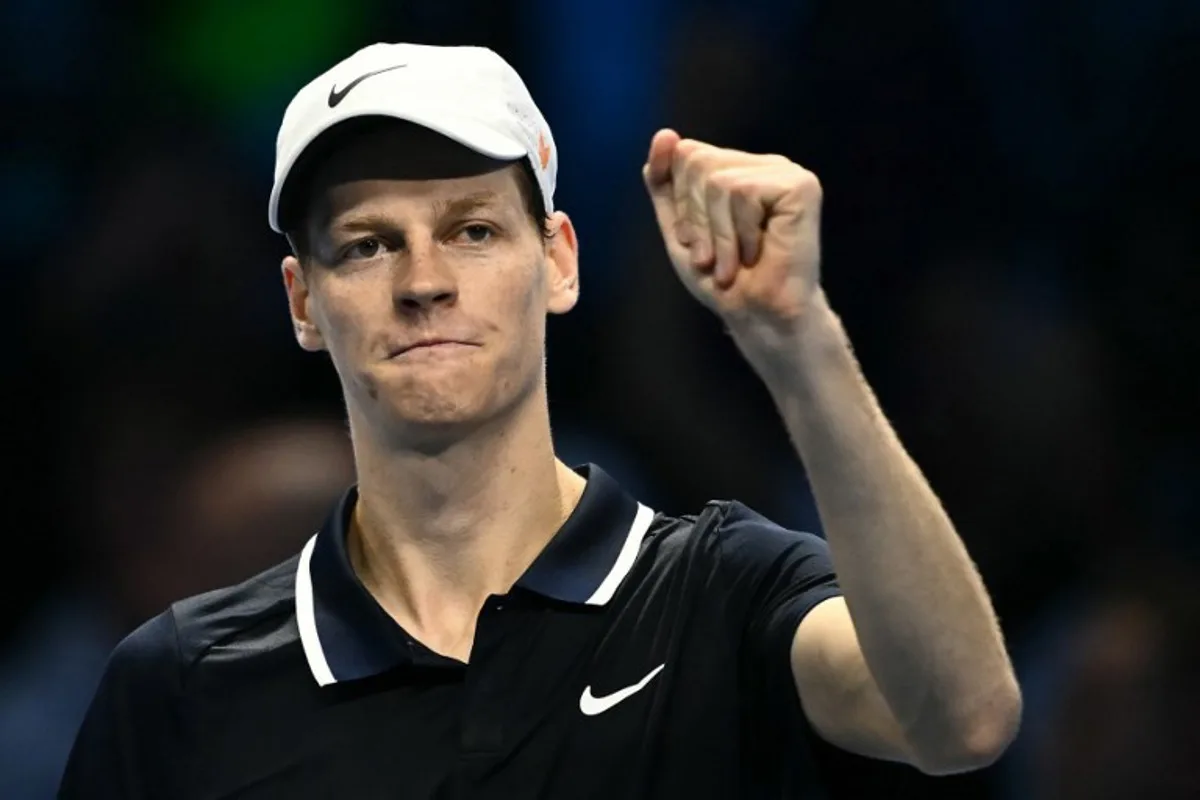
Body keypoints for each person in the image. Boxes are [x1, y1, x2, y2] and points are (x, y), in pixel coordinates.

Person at [58, 42, 1021, 799]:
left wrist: (799, 339)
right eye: (366, 245)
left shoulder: (719, 596)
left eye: (472, 230)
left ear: (558, 260)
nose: (424, 282)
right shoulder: (179, 685)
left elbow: (961, 719)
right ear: (303, 302)